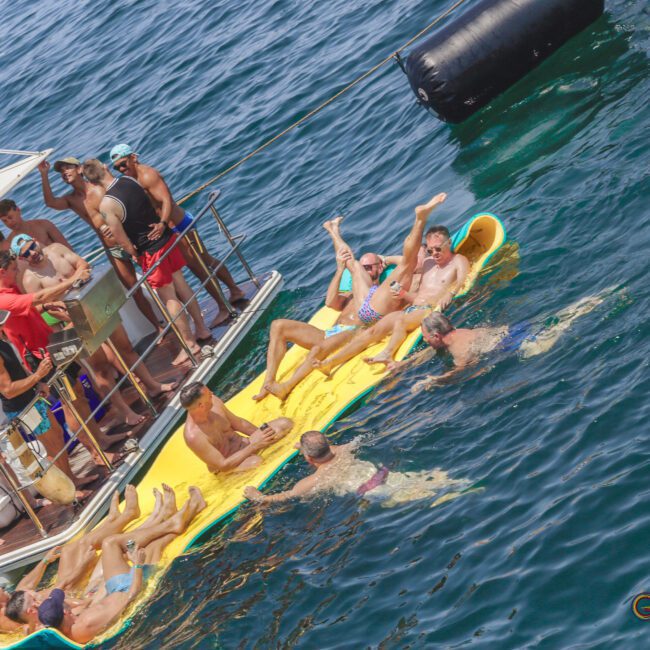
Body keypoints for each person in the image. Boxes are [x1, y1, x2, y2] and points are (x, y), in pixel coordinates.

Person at [15, 234, 178, 403]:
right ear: (22, 258)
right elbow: (44, 306)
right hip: (75, 319)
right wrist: (73, 282)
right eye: (26, 254)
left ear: (36, 241)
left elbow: (83, 265)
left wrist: (71, 281)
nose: (32, 254)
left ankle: (152, 386)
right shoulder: (30, 279)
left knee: (126, 348)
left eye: (31, 247)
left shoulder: (57, 250)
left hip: (95, 304)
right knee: (101, 368)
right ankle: (124, 412)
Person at [0, 251, 128, 465]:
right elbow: (37, 296)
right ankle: (96, 454)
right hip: (40, 356)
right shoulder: (3, 297)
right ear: (1, 272)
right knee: (70, 403)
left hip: (50, 346)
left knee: (78, 393)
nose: (16, 273)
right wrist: (72, 280)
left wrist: (45, 307)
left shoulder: (10, 290)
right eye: (13, 270)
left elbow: (30, 307)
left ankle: (101, 440)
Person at [81, 159, 211, 366]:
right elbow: (149, 203)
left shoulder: (106, 204)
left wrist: (133, 253)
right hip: (166, 238)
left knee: (168, 296)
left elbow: (120, 237)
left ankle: (189, 343)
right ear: (104, 168)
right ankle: (202, 328)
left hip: (149, 251)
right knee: (182, 285)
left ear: (91, 182)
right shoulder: (130, 181)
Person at [252, 216, 390, 402]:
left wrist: (386, 259)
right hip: (331, 333)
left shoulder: (379, 292)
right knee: (278, 325)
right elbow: (330, 302)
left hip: (354, 332)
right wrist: (340, 270)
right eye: (362, 267)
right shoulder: (352, 290)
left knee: (319, 348)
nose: (364, 271)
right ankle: (268, 382)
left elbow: (407, 265)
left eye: (369, 267)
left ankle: (286, 386)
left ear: (380, 268)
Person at [109, 144, 246, 327]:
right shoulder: (131, 181)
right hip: (171, 227)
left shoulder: (147, 175)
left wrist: (163, 223)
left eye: (123, 164)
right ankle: (235, 291)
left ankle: (223, 307)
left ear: (133, 157)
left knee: (199, 267)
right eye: (117, 167)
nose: (121, 169)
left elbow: (167, 200)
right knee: (204, 260)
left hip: (179, 226)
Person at [313, 216, 470, 375]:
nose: (434, 253)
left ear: (449, 243)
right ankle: (330, 363)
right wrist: (388, 265)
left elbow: (462, 281)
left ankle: (387, 353)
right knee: (370, 332)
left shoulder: (458, 260)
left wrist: (451, 293)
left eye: (438, 248)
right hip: (413, 307)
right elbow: (408, 264)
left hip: (429, 310)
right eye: (430, 250)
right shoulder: (428, 263)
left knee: (400, 321)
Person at [38, 158, 163, 336]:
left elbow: (123, 205)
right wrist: (44, 175)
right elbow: (50, 202)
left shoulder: (100, 188)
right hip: (112, 249)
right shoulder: (71, 200)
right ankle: (158, 327)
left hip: (132, 239)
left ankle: (179, 310)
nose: (65, 172)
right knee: (134, 290)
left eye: (68, 168)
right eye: (61, 171)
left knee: (159, 278)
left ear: (80, 169)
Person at [390, 292, 608, 392]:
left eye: (426, 338)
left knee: (560, 330)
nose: (425, 342)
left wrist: (434, 381)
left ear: (436, 336)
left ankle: (588, 308)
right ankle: (587, 302)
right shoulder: (457, 332)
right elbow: (431, 352)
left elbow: (463, 371)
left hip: (518, 344)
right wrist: (404, 365)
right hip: (513, 330)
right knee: (561, 318)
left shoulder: (459, 350)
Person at [0, 315, 96, 495]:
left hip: (29, 400)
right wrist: (37, 376)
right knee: (52, 445)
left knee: (57, 437)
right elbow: (8, 390)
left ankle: (71, 481)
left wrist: (37, 384)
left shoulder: (3, 343)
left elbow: (17, 373)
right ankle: (68, 491)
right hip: (23, 407)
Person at [244, 431, 467, 507]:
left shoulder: (313, 481)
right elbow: (327, 447)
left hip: (376, 492)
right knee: (445, 484)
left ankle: (466, 496)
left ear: (308, 458)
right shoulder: (344, 450)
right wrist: (306, 447)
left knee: (437, 499)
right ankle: (466, 488)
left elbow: (282, 497)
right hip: (390, 475)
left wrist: (257, 496)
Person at [180, 381, 293, 472]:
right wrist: (254, 446)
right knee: (256, 462)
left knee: (284, 423)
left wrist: (265, 436)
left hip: (246, 444)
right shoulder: (193, 436)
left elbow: (239, 424)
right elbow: (223, 465)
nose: (212, 394)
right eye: (209, 395)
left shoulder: (214, 402)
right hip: (232, 462)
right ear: (201, 405)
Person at [0, 199, 71, 251]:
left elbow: (68, 248)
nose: (9, 222)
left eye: (10, 217)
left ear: (18, 210)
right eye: (5, 221)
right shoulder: (11, 244)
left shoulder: (43, 224)